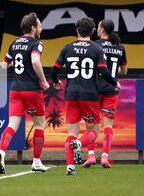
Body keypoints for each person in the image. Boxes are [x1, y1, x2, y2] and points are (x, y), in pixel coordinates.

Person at [51, 17, 120, 176]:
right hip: (89, 95)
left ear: (77, 30)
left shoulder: (67, 47)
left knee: (71, 132)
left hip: (71, 93)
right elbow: (103, 72)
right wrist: (115, 82)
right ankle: (79, 144)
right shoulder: (96, 49)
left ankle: (70, 167)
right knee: (93, 130)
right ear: (92, 31)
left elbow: (54, 70)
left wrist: (55, 82)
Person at [0, 13, 50, 174]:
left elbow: (5, 65)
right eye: (39, 25)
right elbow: (34, 60)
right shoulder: (36, 43)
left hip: (15, 90)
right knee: (39, 124)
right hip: (31, 90)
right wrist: (44, 81)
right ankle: (37, 162)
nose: (41, 28)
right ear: (33, 28)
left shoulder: (14, 43)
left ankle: (2, 151)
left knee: (12, 125)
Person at [82, 19, 128, 168]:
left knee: (91, 124)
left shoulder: (94, 45)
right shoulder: (120, 47)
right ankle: (105, 157)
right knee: (108, 125)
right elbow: (124, 71)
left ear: (101, 30)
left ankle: (90, 156)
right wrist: (113, 73)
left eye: (99, 26)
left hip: (94, 90)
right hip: (111, 90)